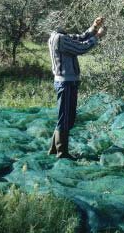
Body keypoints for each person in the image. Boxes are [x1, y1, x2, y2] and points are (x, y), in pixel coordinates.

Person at [47, 17, 107, 159]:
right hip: (65, 82)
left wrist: (93, 27)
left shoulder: (60, 36)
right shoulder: (60, 39)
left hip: (67, 81)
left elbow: (80, 38)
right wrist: (97, 36)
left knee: (66, 116)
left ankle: (55, 149)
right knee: (65, 117)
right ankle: (62, 152)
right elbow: (81, 47)